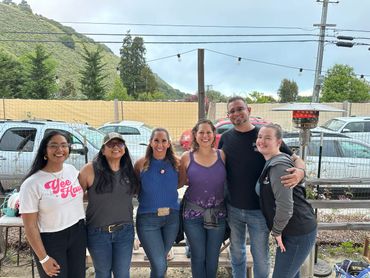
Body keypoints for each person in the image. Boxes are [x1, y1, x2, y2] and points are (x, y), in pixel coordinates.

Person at [218, 96, 306, 278]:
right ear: (228, 115)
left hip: (259, 211)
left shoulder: (264, 135)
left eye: (240, 109)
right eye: (232, 111)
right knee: (237, 253)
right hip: (233, 208)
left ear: (248, 110)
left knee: (260, 257)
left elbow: (295, 158)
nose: (236, 113)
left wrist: (300, 172)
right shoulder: (225, 138)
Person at [19, 130, 86, 278]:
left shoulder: (71, 171)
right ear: (45, 150)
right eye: (54, 145)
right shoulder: (31, 184)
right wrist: (44, 258)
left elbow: (80, 196)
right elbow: (30, 226)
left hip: (78, 233)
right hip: (51, 239)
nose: (60, 150)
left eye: (64, 145)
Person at [256, 124, 317, 278]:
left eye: (268, 138)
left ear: (279, 142)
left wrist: (276, 231)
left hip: (297, 231)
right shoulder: (274, 160)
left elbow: (286, 206)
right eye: (260, 137)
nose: (261, 141)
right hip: (290, 231)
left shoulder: (279, 166)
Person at [79, 132, 139, 278]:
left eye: (120, 144)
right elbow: (75, 198)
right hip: (97, 233)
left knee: (122, 274)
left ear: (124, 148)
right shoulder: (89, 170)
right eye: (111, 144)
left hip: (125, 232)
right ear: (103, 150)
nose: (116, 147)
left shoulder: (130, 171)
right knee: (103, 273)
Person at [179, 119, 227, 278]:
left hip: (218, 215)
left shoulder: (222, 155)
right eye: (201, 132)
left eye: (208, 132)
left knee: (212, 257)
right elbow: (181, 182)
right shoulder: (187, 157)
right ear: (195, 135)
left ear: (214, 135)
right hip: (193, 215)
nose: (205, 136)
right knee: (198, 256)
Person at [134, 128, 180, 278]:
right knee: (160, 264)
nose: (160, 144)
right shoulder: (141, 164)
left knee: (159, 264)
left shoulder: (177, 163)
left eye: (163, 141)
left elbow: (180, 183)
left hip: (172, 219)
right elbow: (136, 187)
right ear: (150, 142)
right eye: (156, 140)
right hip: (148, 220)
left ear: (168, 144)